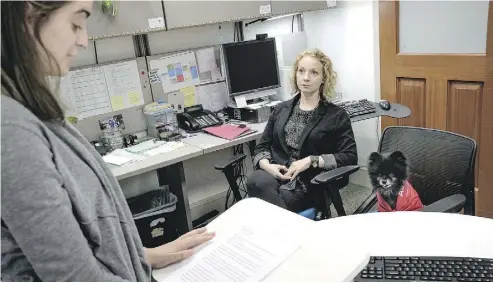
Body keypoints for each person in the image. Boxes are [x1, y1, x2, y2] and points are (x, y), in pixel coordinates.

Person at [1, 2, 214, 281]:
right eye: (76, 24)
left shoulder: (28, 110)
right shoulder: (11, 127)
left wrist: (145, 256)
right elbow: (76, 277)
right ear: (28, 18)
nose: (83, 39)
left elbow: (79, 243)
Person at [246, 49, 358, 213]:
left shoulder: (336, 115)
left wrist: (310, 161)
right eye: (301, 71)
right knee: (255, 180)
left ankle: (286, 231)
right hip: (278, 176)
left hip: (310, 182)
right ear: (295, 74)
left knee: (263, 205)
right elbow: (261, 147)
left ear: (323, 79)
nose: (306, 78)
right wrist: (268, 166)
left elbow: (350, 156)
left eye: (314, 72)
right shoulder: (280, 109)